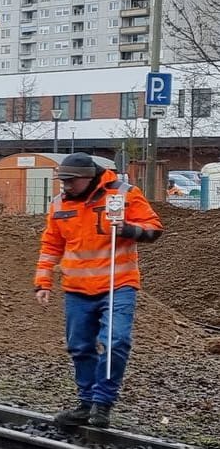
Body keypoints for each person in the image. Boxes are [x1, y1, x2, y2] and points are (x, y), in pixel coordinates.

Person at [34, 153, 162, 429]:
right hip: (77, 288)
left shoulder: (124, 194)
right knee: (80, 347)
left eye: (70, 181)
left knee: (115, 341)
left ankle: (102, 403)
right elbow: (51, 245)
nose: (65, 186)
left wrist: (127, 229)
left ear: (89, 177)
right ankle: (86, 402)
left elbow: (154, 229)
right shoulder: (59, 204)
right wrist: (43, 280)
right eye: (62, 181)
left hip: (118, 283)